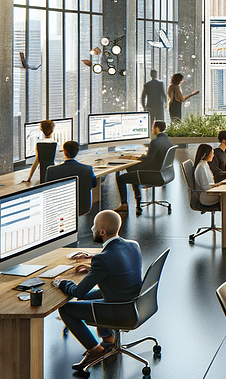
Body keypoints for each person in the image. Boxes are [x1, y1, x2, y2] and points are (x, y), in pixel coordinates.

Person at [54, 210, 143, 372]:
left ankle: (95, 350)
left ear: (102, 232)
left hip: (120, 308)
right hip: (135, 301)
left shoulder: (103, 259)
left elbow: (78, 291)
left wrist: (61, 282)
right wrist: (92, 268)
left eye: (94, 226)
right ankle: (108, 340)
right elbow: (117, 268)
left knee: (65, 309)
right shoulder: (133, 245)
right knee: (87, 298)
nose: (91, 229)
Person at [114, 120, 172, 213]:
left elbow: (148, 158)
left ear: (157, 128)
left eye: (153, 127)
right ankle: (137, 198)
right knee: (131, 169)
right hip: (164, 173)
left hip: (153, 174)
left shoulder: (155, 141)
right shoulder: (167, 140)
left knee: (120, 178)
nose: (152, 129)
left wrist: (134, 158)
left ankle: (124, 204)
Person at [50, 141, 98, 207]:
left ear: (64, 151)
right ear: (77, 151)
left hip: (60, 207)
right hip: (83, 207)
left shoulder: (52, 170)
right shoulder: (88, 169)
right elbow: (94, 184)